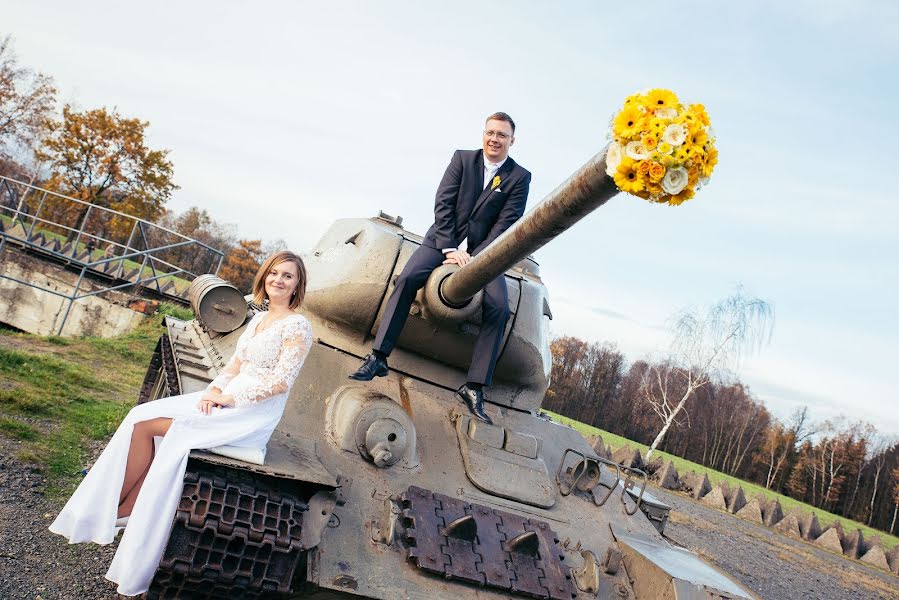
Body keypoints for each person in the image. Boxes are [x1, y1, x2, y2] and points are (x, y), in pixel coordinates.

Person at [49, 250, 313, 597]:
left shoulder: (298, 326)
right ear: (265, 277)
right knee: (139, 416)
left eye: (287, 276)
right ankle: (121, 506)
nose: (278, 280)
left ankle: (123, 507)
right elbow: (234, 365)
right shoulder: (257, 320)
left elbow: (282, 382)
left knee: (155, 429)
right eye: (273, 273)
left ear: (297, 285)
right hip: (227, 397)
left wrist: (228, 399)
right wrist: (215, 389)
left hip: (250, 412)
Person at [349, 112, 531, 425]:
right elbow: (443, 202)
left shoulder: (519, 177)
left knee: (499, 308)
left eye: (502, 135)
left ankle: (474, 386)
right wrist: (450, 248)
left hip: (487, 254)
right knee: (407, 279)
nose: (494, 139)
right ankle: (378, 357)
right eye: (490, 132)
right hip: (442, 240)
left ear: (512, 141)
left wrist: (477, 256)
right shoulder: (462, 160)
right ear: (483, 134)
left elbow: (506, 223)